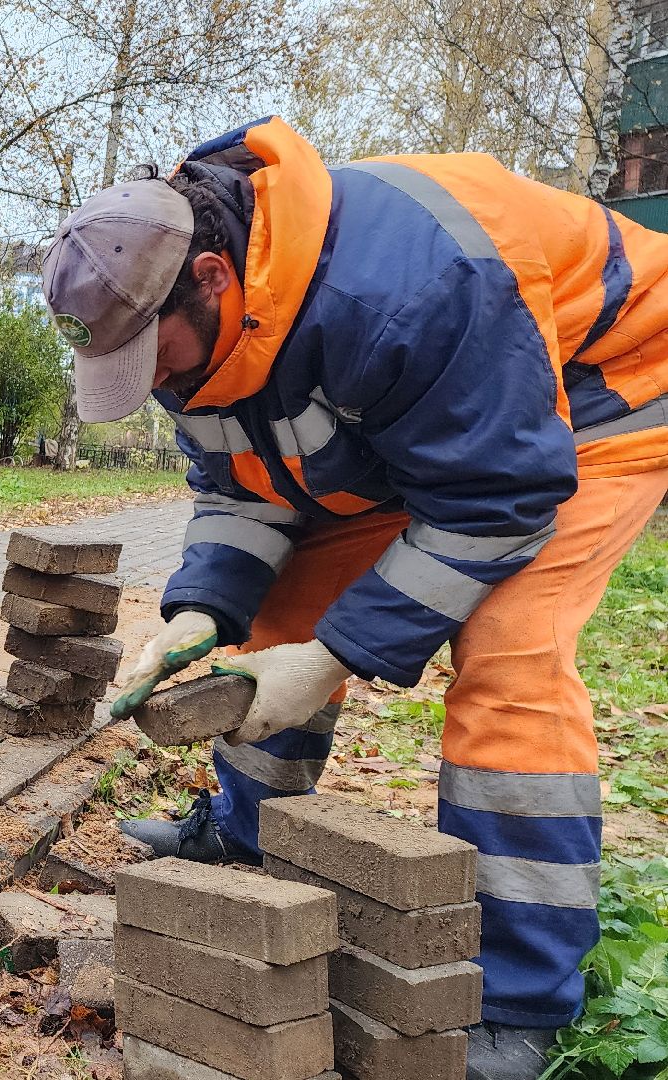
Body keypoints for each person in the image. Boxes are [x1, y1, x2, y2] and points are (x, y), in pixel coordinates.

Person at [41, 117, 668, 1079]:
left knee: (508, 655)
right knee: (280, 620)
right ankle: (246, 840)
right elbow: (242, 487)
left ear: (212, 276)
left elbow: (498, 500)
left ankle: (516, 999)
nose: (154, 381)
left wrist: (338, 657)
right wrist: (201, 611)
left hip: (594, 395)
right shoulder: (191, 324)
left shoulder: (408, 289)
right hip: (427, 425)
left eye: (153, 357)